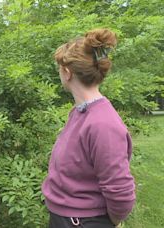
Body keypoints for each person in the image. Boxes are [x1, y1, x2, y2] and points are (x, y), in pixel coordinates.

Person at [42, 28, 136, 228]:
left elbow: (120, 191)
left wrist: (109, 222)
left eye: (59, 69)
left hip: (83, 223)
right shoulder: (80, 112)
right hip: (67, 218)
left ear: (67, 73)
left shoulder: (103, 123)